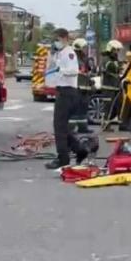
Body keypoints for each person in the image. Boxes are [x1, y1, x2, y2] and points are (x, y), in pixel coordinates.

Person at [45, 28, 81, 170]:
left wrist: (61, 70)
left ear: (65, 38)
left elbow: (74, 71)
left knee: (59, 127)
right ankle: (79, 149)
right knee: (63, 127)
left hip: (68, 92)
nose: (56, 42)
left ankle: (63, 159)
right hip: (62, 91)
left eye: (57, 39)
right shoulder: (59, 53)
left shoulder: (69, 53)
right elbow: (51, 68)